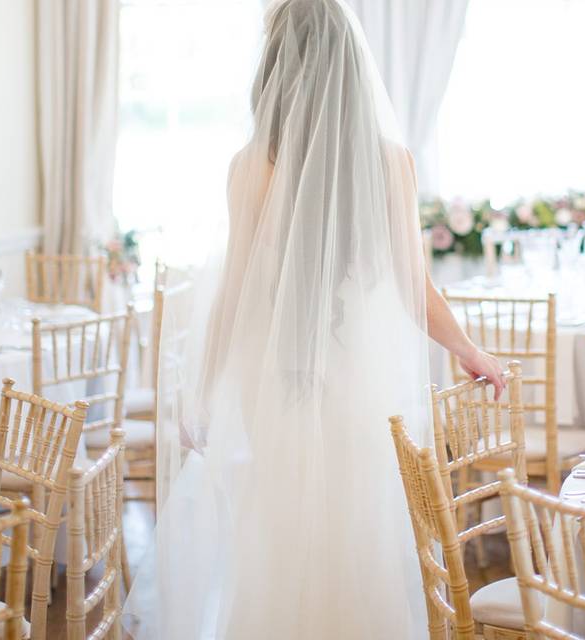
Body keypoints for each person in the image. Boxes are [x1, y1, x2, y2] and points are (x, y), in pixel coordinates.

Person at [123, 1, 502, 637]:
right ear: (352, 67)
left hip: (276, 384)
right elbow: (415, 286)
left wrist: (204, 390)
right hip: (359, 381)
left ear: (275, 67)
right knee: (359, 528)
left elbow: (233, 294)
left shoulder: (250, 167)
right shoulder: (391, 162)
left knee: (280, 526)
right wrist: (470, 349)